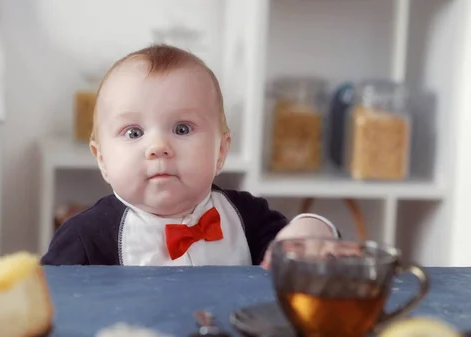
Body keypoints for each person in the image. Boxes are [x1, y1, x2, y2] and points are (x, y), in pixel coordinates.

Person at [41, 44, 340, 268]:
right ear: (102, 159)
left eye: (182, 129)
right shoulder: (85, 238)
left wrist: (313, 227)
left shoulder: (245, 217)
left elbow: (295, 250)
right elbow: (53, 307)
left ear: (220, 151)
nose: (158, 147)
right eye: (133, 133)